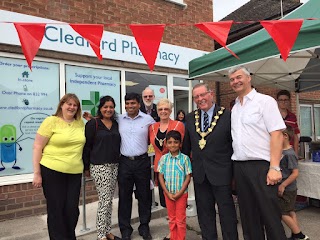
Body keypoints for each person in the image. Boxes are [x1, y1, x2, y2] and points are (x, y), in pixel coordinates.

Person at [228, 65, 287, 240]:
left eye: (238, 77)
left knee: (270, 216)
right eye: (231, 79)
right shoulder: (235, 108)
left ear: (249, 78)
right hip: (240, 167)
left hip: (261, 167)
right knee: (248, 217)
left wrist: (274, 167)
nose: (235, 82)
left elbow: (276, 134)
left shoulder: (265, 101)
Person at [182, 83, 238, 240]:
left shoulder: (227, 115)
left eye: (203, 95)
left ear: (211, 94)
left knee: (227, 214)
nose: (200, 99)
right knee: (205, 213)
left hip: (222, 174)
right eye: (196, 97)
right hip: (200, 175)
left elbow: (234, 145)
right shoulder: (190, 117)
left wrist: (234, 174)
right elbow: (187, 148)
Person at [32, 93, 85, 240]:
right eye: (69, 104)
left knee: (71, 210)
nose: (72, 107)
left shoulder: (80, 122)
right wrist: (37, 173)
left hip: (74, 172)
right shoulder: (51, 121)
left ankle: (69, 236)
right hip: (52, 170)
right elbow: (37, 146)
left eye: (75, 105)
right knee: (56, 209)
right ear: (62, 105)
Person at [82, 96, 121, 240]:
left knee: (110, 200)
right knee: (104, 200)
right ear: (100, 108)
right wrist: (86, 167)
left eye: (111, 107)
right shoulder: (93, 124)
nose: (108, 110)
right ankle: (100, 234)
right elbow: (87, 147)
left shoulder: (116, 124)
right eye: (105, 107)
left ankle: (108, 231)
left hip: (114, 165)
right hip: (99, 166)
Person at [118, 92, 155, 240]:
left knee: (144, 196)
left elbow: (157, 135)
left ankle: (144, 227)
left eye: (132, 103)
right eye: (127, 103)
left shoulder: (148, 119)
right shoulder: (119, 119)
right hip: (125, 162)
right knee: (124, 196)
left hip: (142, 162)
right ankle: (125, 229)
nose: (129, 106)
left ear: (139, 104)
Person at [149, 98, 185, 240]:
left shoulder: (178, 125)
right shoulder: (152, 127)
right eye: (160, 109)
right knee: (166, 201)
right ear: (157, 111)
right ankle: (173, 229)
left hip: (175, 168)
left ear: (170, 111)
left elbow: (181, 145)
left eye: (166, 109)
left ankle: (176, 233)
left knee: (178, 200)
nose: (163, 111)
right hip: (160, 168)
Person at [158, 130, 192, 240]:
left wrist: (181, 192)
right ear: (166, 144)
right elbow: (160, 176)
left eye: (176, 142)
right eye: (170, 142)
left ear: (180, 144)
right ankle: (173, 237)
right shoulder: (163, 159)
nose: (173, 145)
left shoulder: (185, 159)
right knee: (172, 219)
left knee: (180, 220)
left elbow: (188, 176)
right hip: (168, 194)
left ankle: (180, 238)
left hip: (181, 195)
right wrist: (167, 192)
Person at [278, 125, 309, 240]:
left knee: (280, 211)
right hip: (287, 188)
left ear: (285, 136)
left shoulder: (290, 154)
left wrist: (283, 185)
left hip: (288, 189)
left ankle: (299, 235)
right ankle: (295, 235)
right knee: (290, 211)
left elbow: (295, 173)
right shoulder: (281, 151)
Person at [277, 89, 300, 155]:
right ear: (277, 101)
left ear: (289, 101)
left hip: (290, 151)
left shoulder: (292, 116)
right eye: (281, 100)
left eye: (285, 100)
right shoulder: (273, 115)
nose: (283, 102)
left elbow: (295, 136)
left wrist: (296, 153)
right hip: (276, 150)